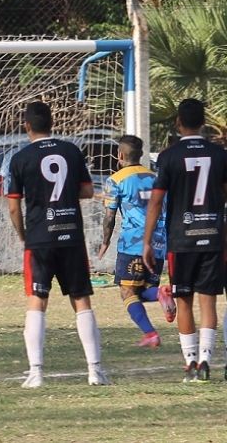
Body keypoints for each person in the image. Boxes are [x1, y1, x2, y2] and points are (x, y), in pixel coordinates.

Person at [7, 101, 108, 388]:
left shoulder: (20, 158)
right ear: (52, 123)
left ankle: (36, 372)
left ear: (27, 126)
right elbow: (87, 190)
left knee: (37, 300)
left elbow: (13, 206)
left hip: (40, 238)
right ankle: (95, 371)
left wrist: (23, 235)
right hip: (71, 235)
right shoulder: (71, 150)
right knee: (81, 299)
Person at [142, 98, 227, 383]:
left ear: (178, 122)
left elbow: (156, 202)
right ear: (204, 122)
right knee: (208, 303)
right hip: (212, 236)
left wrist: (147, 241)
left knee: (184, 301)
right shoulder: (219, 154)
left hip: (182, 239)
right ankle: (205, 361)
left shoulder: (168, 156)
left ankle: (190, 364)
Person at [98, 135, 176, 348]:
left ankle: (151, 333)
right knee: (140, 292)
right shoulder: (155, 177)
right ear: (141, 155)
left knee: (127, 292)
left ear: (120, 155)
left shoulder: (116, 180)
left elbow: (109, 216)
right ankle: (160, 295)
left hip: (133, 243)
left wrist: (105, 242)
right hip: (158, 242)